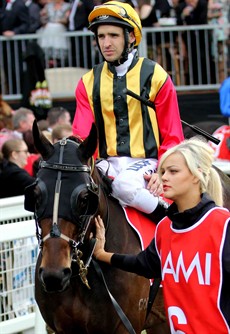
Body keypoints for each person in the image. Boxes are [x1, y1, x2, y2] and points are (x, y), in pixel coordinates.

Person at [93, 137, 230, 333]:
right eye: (162, 171)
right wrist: (101, 254)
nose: (164, 177)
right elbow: (144, 264)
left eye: (173, 171)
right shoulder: (165, 227)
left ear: (196, 175)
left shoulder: (223, 225)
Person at [72, 1, 184, 221]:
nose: (106, 43)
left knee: (123, 185)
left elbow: (173, 134)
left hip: (148, 162)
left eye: (113, 35)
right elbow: (82, 138)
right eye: (101, 36)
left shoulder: (156, 76)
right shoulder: (87, 82)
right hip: (105, 164)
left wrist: (163, 171)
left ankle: (173, 220)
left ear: (131, 37)